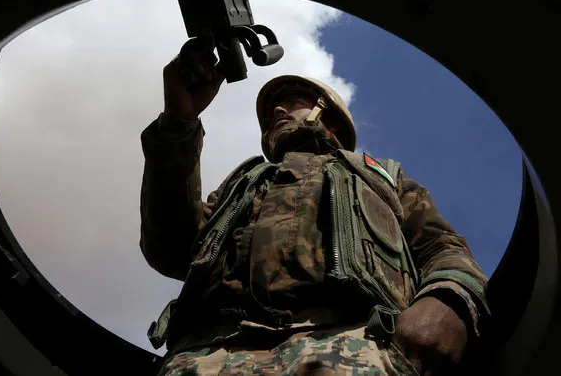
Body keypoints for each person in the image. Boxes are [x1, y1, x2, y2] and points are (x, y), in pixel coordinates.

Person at [140, 44, 490, 375]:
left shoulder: (382, 175)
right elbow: (171, 248)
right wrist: (178, 122)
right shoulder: (244, 181)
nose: (277, 111)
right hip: (206, 355)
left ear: (330, 116)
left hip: (351, 345)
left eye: (291, 102)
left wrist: (448, 300)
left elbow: (442, 248)